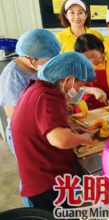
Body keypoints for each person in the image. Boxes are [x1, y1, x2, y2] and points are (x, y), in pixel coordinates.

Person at [11, 52, 94, 211]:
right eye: (80, 85)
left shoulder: (36, 87)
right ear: (68, 79)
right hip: (48, 185)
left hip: (37, 177)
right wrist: (84, 138)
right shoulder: (48, 96)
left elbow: (42, 126)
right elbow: (60, 140)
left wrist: (68, 128)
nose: (80, 90)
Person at [0, 29, 61, 208]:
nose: (51, 63)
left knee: (45, 173)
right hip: (25, 134)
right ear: (31, 58)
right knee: (31, 176)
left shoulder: (39, 67)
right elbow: (15, 116)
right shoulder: (13, 75)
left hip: (42, 128)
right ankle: (33, 209)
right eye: (48, 60)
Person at [75, 34, 109, 110]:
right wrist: (93, 90)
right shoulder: (78, 65)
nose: (91, 61)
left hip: (108, 107)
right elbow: (74, 89)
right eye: (86, 58)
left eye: (94, 56)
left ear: (100, 49)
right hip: (83, 108)